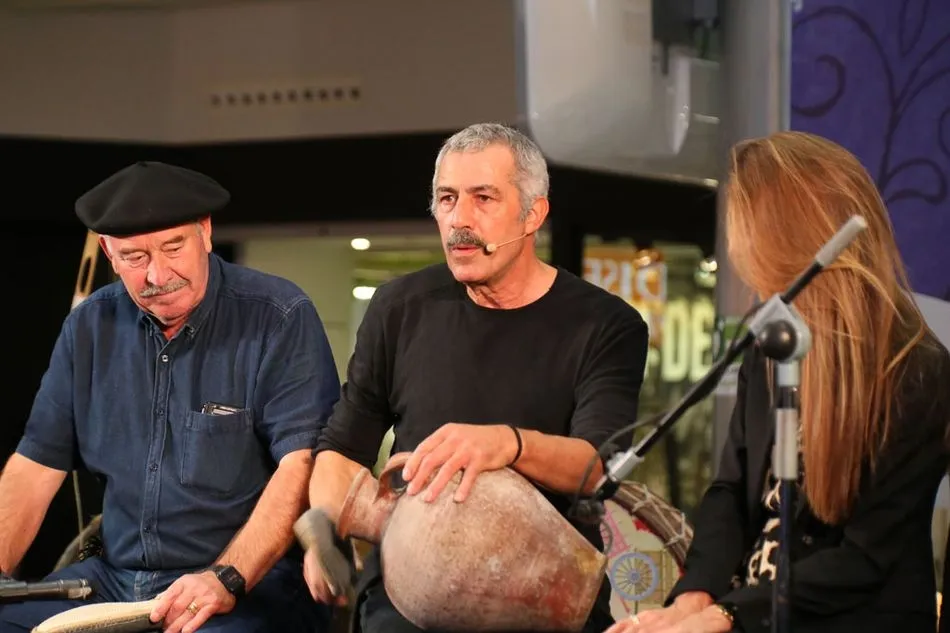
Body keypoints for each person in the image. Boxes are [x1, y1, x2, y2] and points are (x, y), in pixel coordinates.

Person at [302, 122, 650, 632]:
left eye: (483, 198)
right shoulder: (399, 308)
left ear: (534, 214)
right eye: (447, 199)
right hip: (407, 596)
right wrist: (325, 530)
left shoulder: (605, 325)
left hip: (542, 597)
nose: (459, 219)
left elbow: (598, 468)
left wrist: (507, 444)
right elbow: (342, 447)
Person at [607, 131, 950, 633]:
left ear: (790, 238)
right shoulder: (772, 341)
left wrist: (726, 616)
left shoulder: (916, 369)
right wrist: (693, 598)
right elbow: (730, 489)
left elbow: (865, 559)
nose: (742, 258)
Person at [0, 161, 341, 633]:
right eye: (134, 257)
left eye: (173, 247)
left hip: (250, 580)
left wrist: (226, 577)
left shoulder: (278, 316)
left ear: (205, 232)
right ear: (108, 252)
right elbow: (35, 466)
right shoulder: (88, 327)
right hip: (114, 579)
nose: (158, 275)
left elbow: (300, 464)